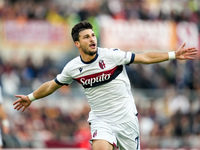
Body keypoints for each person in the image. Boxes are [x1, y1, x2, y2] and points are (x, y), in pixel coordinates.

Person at [13, 20, 198, 150]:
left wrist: (173, 54)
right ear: (77, 43)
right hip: (101, 120)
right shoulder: (73, 67)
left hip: (126, 119)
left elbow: (144, 57)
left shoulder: (111, 56)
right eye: (86, 37)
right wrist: (30, 97)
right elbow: (53, 85)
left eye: (93, 35)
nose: (92, 39)